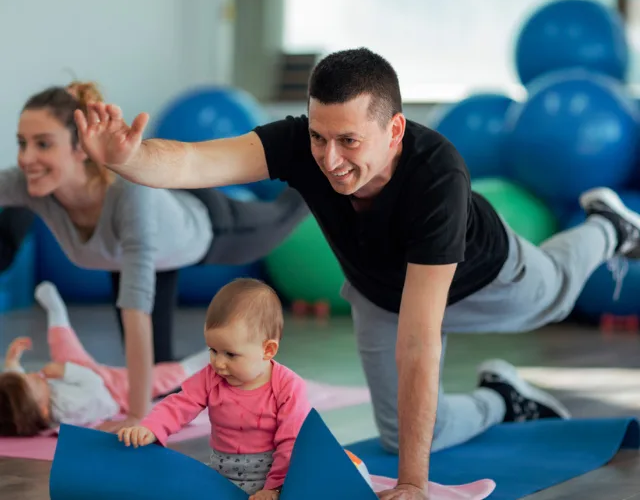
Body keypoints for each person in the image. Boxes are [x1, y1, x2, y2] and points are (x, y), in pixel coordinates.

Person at [74, 47, 640, 500]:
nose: (330, 158)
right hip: (380, 294)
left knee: (561, 291)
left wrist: (413, 485)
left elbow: (420, 342)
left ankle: (609, 226)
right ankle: (503, 400)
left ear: (394, 130)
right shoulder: (303, 144)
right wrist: (127, 158)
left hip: (490, 277)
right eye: (321, 137)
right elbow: (198, 162)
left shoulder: (437, 175)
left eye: (349, 141)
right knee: (404, 435)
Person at [0, 81, 309, 433]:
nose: (26, 158)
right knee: (160, 371)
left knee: (287, 212)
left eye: (43, 144)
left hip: (207, 227)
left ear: (81, 148)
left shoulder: (129, 197)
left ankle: (316, 167)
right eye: (22, 143)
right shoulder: (32, 184)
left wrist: (136, 418)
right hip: (134, 258)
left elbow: (136, 315)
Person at [118, 278, 311, 500]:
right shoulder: (211, 377)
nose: (218, 363)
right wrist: (150, 427)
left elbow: (292, 442)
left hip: (273, 480)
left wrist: (274, 488)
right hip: (221, 474)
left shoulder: (288, 386)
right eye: (213, 350)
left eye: (230, 354)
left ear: (267, 350)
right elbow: (180, 404)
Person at [0, 281, 211, 436]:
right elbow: (94, 386)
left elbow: (16, 393)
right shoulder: (68, 408)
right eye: (32, 380)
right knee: (163, 377)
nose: (33, 374)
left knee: (63, 345)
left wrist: (11, 362)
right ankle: (207, 358)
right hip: (113, 390)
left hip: (81, 374)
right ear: (44, 410)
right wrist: (67, 371)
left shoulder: (34, 404)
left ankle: (57, 312)